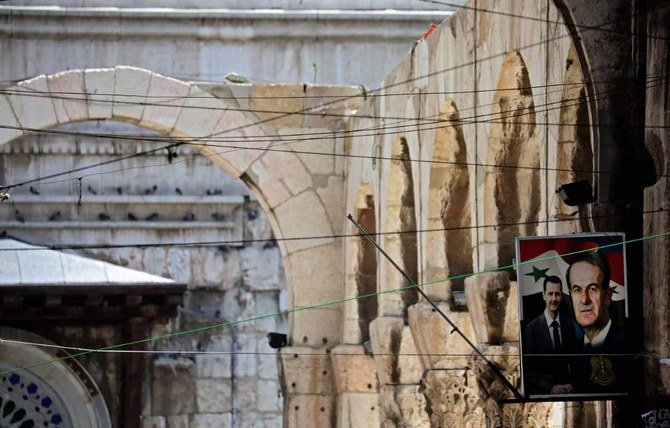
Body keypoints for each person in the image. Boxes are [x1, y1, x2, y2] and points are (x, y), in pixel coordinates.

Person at [567, 252, 627, 394]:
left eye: (592, 289)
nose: (584, 300)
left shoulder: (627, 344)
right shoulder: (570, 351)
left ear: (607, 296)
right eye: (577, 290)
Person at [523, 275, 578, 395]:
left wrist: (572, 383)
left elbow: (576, 361)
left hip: (568, 393)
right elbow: (529, 370)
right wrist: (550, 388)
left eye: (557, 294)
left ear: (562, 296)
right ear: (544, 295)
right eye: (550, 294)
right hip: (544, 395)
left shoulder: (569, 325)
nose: (554, 299)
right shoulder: (531, 329)